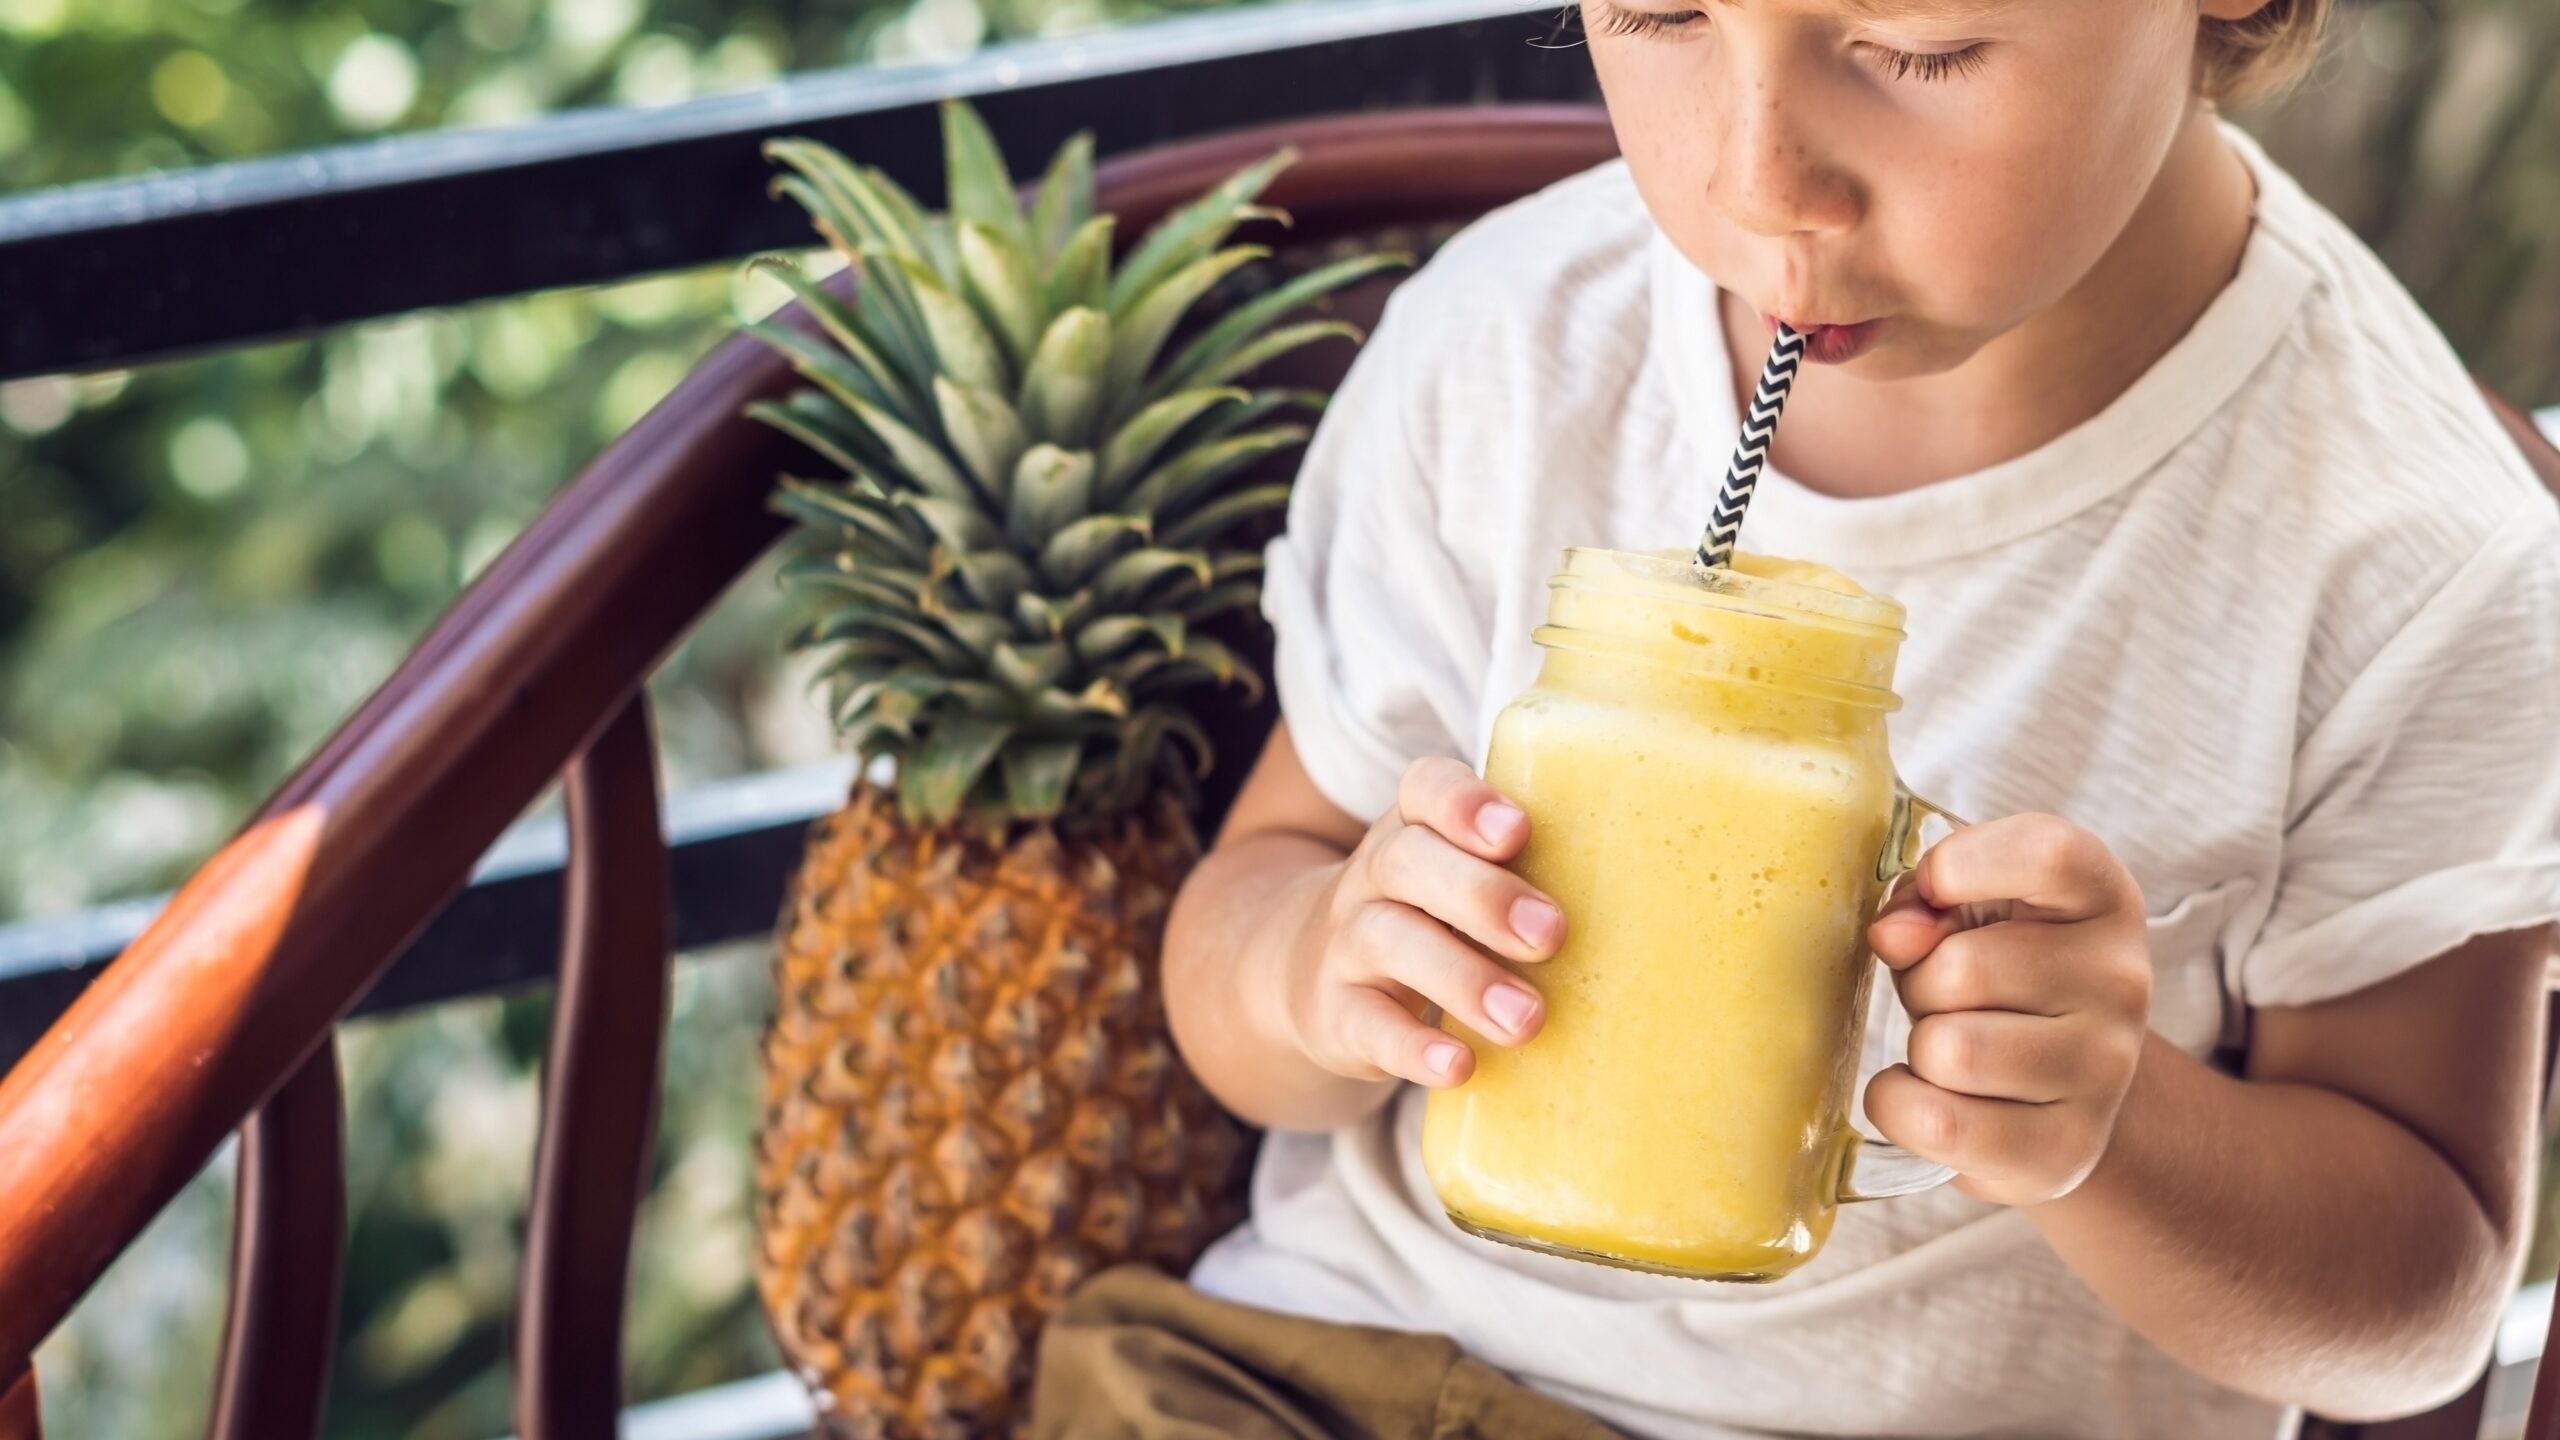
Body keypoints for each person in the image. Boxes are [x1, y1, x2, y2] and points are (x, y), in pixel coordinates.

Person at [1026, 0, 2560, 1434]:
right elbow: (1245, 936)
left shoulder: (2412, 558)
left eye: (1916, 47)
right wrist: (1319, 969)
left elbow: (2416, 1311)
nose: (1761, 183)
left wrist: (2113, 1125)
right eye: (1660, 16)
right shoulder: (1506, 354)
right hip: (1333, 1371)